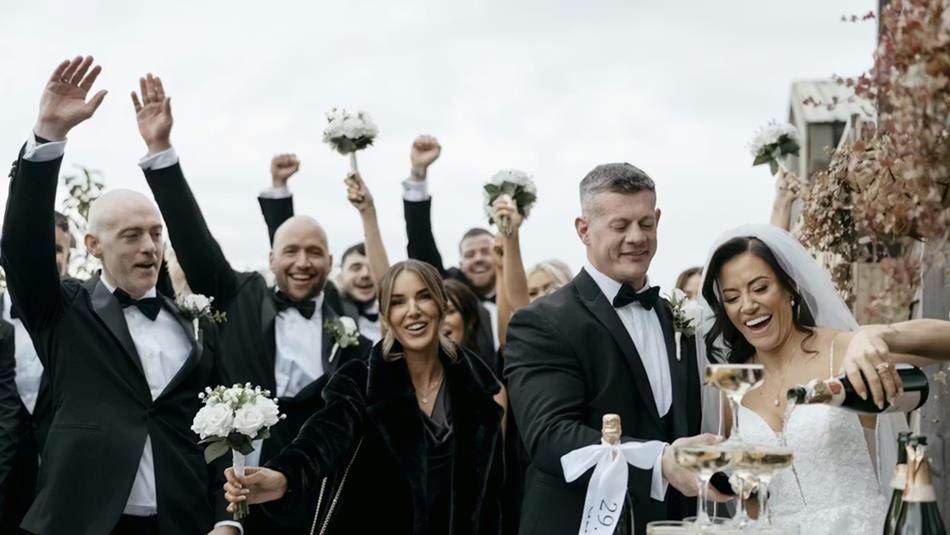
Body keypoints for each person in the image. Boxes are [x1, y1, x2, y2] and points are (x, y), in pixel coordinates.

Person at [0, 56, 233, 535]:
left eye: (154, 233)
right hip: (82, 522)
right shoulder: (62, 310)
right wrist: (47, 137)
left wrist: (227, 520)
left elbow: (214, 433)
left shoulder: (191, 324)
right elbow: (21, 249)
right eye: (130, 235)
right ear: (93, 246)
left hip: (181, 523)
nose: (149, 247)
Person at [136, 73, 371, 534]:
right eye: (291, 252)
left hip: (314, 494)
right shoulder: (242, 293)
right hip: (233, 496)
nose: (302, 263)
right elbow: (194, 239)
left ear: (329, 261)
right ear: (271, 257)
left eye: (314, 253)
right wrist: (161, 152)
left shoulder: (348, 325)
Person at [504, 162, 726, 535]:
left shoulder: (674, 316)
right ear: (584, 230)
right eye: (620, 226)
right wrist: (659, 461)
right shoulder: (542, 321)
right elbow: (550, 436)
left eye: (646, 223)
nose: (637, 237)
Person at [698, 224, 950, 534]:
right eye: (732, 297)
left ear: (791, 288)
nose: (748, 305)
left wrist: (874, 334)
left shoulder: (845, 351)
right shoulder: (733, 389)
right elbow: (750, 503)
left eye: (760, 288)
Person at [223, 260, 505, 534]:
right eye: (397, 302)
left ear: (442, 305)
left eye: (424, 297)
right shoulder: (361, 380)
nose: (413, 310)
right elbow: (323, 436)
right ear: (385, 316)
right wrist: (285, 476)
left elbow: (493, 499)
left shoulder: (477, 392)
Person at [257, 154, 380, 340]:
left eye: (372, 268)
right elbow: (292, 247)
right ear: (338, 274)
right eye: (356, 267)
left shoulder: (396, 314)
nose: (365, 275)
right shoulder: (329, 301)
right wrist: (279, 187)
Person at [0, 211, 71, 533]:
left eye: (57, 249)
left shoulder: (86, 321)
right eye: (41, 246)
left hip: (61, 483)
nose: (48, 257)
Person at [401, 135, 496, 351]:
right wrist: (418, 174)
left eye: (485, 252)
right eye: (470, 255)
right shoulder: (448, 288)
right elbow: (420, 242)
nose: (478, 259)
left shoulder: (520, 288)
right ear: (460, 264)